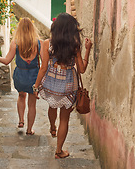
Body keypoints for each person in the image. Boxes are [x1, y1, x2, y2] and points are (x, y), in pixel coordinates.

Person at [32, 13, 92, 159]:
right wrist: (88, 49)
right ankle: (59, 151)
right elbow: (82, 69)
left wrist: (36, 86)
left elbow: (43, 68)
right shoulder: (75, 46)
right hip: (68, 84)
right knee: (64, 119)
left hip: (51, 82)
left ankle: (52, 126)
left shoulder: (47, 43)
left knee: (52, 106)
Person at [0, 17, 41, 135]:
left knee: (21, 95)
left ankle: (20, 120)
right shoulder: (38, 43)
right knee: (32, 103)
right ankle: (29, 130)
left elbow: (6, 61)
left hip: (20, 76)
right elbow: (44, 63)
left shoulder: (16, 43)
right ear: (32, 28)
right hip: (34, 76)